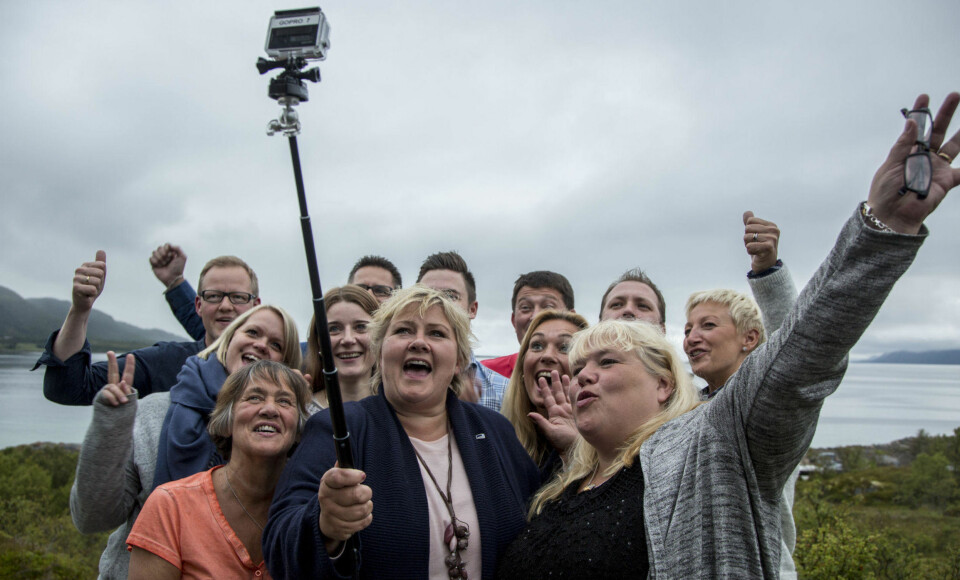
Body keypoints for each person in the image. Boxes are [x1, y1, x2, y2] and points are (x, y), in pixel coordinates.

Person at [497, 91, 960, 578]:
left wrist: (881, 228)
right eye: (578, 369)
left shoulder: (712, 442)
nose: (582, 377)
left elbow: (800, 355)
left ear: (665, 384)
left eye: (607, 362)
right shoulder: (567, 483)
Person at [263, 286, 541, 579]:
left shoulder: (495, 430)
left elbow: (540, 518)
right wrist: (324, 526)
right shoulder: (338, 429)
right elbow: (279, 543)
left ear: (459, 361)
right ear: (379, 353)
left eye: (437, 333)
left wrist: (567, 447)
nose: (419, 342)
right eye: (403, 331)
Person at [69, 304, 301, 580]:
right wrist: (110, 426)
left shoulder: (292, 435)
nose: (261, 345)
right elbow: (91, 518)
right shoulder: (154, 414)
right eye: (252, 332)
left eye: (276, 344)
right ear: (227, 340)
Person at [126, 361, 311, 579]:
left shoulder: (311, 511)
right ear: (227, 420)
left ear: (299, 428)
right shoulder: (170, 506)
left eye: (284, 401)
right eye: (254, 398)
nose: (270, 409)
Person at [35, 251, 260, 406]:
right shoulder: (164, 362)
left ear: (256, 306)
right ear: (199, 305)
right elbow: (67, 388)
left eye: (239, 297)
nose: (225, 306)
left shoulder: (276, 366)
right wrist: (80, 310)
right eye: (213, 296)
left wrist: (176, 284)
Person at [416, 251, 510, 411]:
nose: (437, 303)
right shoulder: (390, 383)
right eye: (426, 295)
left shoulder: (503, 393)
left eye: (450, 296)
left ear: (472, 309)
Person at [500, 309, 588, 479]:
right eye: (537, 346)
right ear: (522, 369)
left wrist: (575, 450)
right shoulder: (498, 441)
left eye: (565, 348)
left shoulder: (606, 450)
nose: (547, 356)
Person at [482, 271, 575, 378]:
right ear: (514, 321)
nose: (535, 316)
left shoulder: (586, 376)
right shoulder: (483, 374)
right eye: (525, 307)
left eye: (548, 307)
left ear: (572, 319)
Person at [304, 285, 380, 412]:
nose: (348, 339)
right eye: (334, 329)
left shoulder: (400, 412)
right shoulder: (300, 413)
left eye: (361, 327)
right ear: (318, 342)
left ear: (380, 336)